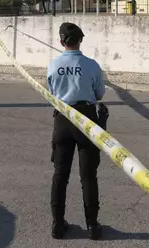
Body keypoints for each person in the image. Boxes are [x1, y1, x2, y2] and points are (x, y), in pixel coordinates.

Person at [46, 22, 108, 240]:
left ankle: (57, 224)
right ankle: (92, 225)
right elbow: (100, 94)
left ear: (61, 42)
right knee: (88, 175)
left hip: (63, 120)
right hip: (87, 119)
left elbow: (52, 92)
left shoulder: (53, 65)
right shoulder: (92, 65)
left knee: (60, 175)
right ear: (80, 40)